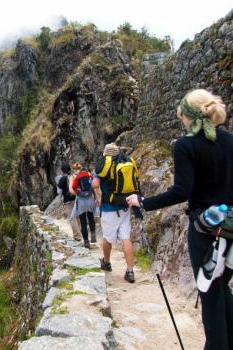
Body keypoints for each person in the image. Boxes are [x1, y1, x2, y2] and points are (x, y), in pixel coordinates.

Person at [126, 89, 233, 350]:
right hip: (231, 227)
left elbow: (181, 191)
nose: (180, 121)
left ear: (189, 115)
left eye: (181, 116)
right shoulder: (230, 140)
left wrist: (143, 202)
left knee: (209, 293)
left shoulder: (185, 145)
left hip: (205, 231)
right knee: (222, 288)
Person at [92, 143, 137, 283]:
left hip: (109, 208)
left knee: (107, 238)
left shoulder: (102, 167)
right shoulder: (124, 163)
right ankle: (130, 271)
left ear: (105, 154)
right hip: (125, 206)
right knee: (126, 237)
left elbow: (95, 185)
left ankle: (106, 262)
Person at [70, 163, 96, 249]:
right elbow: (94, 185)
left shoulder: (76, 177)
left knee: (83, 222)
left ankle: (86, 241)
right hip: (90, 200)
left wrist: (78, 192)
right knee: (91, 217)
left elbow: (73, 188)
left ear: (75, 169)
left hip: (81, 202)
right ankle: (93, 234)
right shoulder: (89, 175)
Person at [57, 163, 82, 241]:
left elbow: (59, 192)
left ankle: (77, 236)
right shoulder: (74, 176)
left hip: (68, 201)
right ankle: (80, 232)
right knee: (78, 216)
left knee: (72, 218)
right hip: (78, 198)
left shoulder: (62, 179)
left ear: (62, 170)